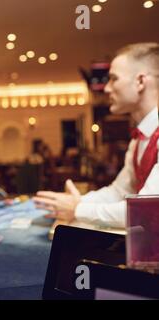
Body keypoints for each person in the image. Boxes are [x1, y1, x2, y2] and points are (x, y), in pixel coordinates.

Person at [34, 42, 159, 228]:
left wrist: (77, 209)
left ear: (140, 81)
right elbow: (119, 192)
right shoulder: (139, 138)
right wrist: (74, 203)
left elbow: (144, 211)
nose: (106, 88)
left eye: (113, 79)